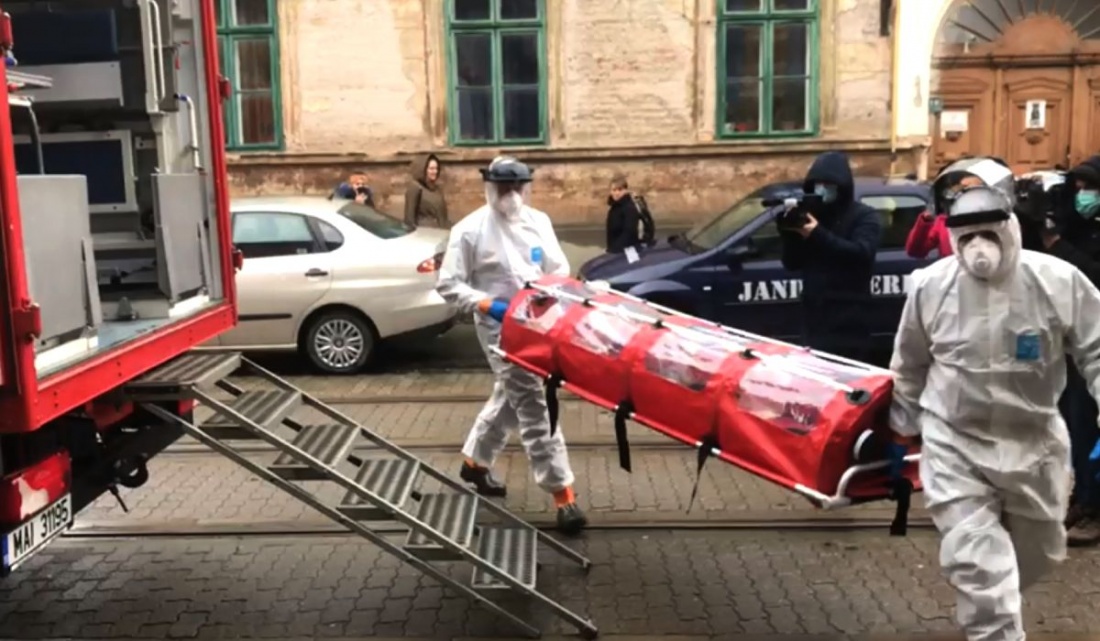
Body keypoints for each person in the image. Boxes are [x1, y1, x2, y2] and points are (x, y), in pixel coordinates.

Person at [887, 183, 1100, 641]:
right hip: (954, 444)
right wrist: (901, 426)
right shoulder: (931, 286)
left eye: (988, 233)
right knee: (980, 564)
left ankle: (995, 602)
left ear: (1010, 230)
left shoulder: (1057, 281)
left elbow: (1097, 347)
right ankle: (996, 627)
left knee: (1039, 553)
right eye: (966, 237)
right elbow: (910, 363)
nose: (978, 247)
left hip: (1034, 444)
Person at [435, 156, 587, 535]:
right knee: (535, 404)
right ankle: (563, 495)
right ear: (490, 187)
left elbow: (558, 269)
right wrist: (486, 303)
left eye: (518, 186)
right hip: (498, 331)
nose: (512, 194)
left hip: (538, 323)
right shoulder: (469, 231)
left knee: (511, 396)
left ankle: (475, 463)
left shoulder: (539, 222)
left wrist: (549, 296)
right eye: (505, 187)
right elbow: (448, 284)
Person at [1022, 156, 1100, 547]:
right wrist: (1033, 222)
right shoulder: (1073, 223)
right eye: (1079, 187)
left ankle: (1094, 506)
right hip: (1067, 343)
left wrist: (1059, 245)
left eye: (1091, 188)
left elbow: (1091, 276)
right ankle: (1082, 497)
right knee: (1073, 428)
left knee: (1089, 427)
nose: (1083, 195)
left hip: (1095, 340)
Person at [777, 150, 882, 361]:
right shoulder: (812, 215)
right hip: (815, 316)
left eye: (828, 184)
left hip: (850, 316)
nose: (822, 189)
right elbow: (792, 263)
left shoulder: (864, 216)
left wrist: (816, 233)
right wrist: (790, 235)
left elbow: (860, 254)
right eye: (817, 185)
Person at [906, 157, 1015, 259]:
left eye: (972, 187)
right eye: (962, 188)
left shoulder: (999, 217)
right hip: (956, 272)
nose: (967, 192)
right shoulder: (944, 221)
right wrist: (927, 219)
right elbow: (916, 251)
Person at [403, 153, 449, 229]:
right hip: (424, 233)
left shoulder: (437, 189)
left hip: (440, 232)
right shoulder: (415, 188)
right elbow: (409, 219)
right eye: (431, 169)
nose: (435, 171)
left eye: (436, 168)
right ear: (423, 170)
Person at [605, 174, 642, 253]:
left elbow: (630, 232)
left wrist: (614, 250)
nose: (617, 193)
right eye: (614, 190)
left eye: (620, 190)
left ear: (626, 190)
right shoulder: (614, 207)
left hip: (628, 251)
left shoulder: (629, 208)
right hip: (616, 250)